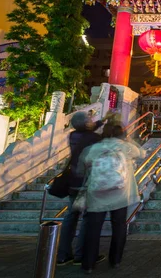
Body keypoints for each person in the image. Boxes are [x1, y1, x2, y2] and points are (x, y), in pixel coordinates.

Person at [77, 124, 145, 274]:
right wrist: (130, 140)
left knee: (93, 229)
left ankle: (88, 264)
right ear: (122, 134)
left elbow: (85, 162)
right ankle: (115, 260)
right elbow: (142, 153)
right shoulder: (125, 147)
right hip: (119, 194)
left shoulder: (95, 148)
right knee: (119, 226)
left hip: (97, 193)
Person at [56, 110, 112, 266]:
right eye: (90, 119)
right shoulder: (94, 138)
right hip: (87, 184)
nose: (92, 120)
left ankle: (63, 254)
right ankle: (82, 254)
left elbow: (88, 132)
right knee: (88, 218)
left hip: (73, 182)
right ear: (87, 124)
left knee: (71, 217)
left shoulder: (73, 136)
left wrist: (101, 121)